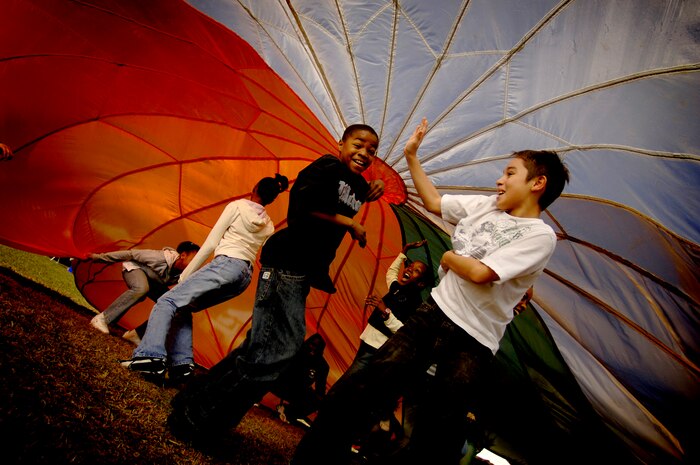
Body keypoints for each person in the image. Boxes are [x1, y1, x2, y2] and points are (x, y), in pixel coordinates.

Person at [291, 118, 570, 465]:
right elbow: (435, 203)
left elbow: (482, 273)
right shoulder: (486, 206)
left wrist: (450, 257)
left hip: (474, 339)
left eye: (511, 173)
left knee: (439, 428)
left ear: (537, 183)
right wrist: (411, 156)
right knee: (365, 388)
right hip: (434, 313)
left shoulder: (538, 235)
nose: (500, 180)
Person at [167, 123, 385, 442]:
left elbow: (349, 194)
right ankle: (201, 420)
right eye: (358, 144)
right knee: (280, 349)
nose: (365, 153)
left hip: (302, 270)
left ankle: (192, 403)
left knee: (260, 347)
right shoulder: (327, 166)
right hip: (287, 261)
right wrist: (349, 222)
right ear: (340, 143)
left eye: (372, 150)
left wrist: (373, 186)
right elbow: (305, 205)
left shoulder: (354, 184)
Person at [119, 174, 289, 383]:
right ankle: (182, 365)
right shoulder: (269, 225)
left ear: (253, 188)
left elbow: (210, 244)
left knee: (167, 301)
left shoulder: (236, 207)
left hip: (226, 263)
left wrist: (186, 274)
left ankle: (150, 357)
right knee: (184, 308)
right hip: (244, 276)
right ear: (272, 199)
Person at [86, 241, 201, 342]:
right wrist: (98, 258)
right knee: (141, 288)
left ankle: (135, 335)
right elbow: (130, 254)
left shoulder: (184, 274)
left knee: (176, 306)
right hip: (135, 268)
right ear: (183, 255)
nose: (196, 263)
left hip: (153, 282)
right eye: (194, 259)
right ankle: (101, 319)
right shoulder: (160, 257)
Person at [272, 333, 330, 428]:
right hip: (281, 383)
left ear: (321, 350)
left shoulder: (322, 366)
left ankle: (287, 412)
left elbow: (320, 389)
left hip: (299, 392)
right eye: (312, 344)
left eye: (318, 347)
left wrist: (321, 401)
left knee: (318, 400)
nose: (313, 348)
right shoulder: (295, 351)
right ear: (307, 343)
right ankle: (253, 396)